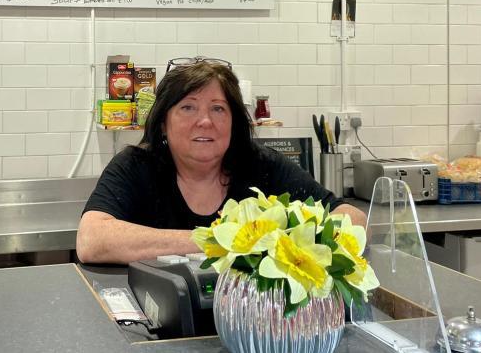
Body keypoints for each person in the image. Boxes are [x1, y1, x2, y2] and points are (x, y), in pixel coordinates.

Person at [76, 58, 366, 264]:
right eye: (188, 107)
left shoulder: (263, 166)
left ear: (234, 122)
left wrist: (288, 246)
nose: (204, 121)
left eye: (218, 109)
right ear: (163, 122)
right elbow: (91, 239)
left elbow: (353, 219)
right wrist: (220, 241)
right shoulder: (136, 166)